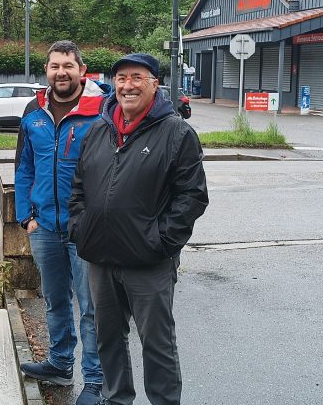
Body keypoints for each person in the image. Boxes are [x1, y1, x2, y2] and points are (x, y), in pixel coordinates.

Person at [68, 53, 209, 405]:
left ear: (153, 84)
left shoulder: (176, 133)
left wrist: (160, 243)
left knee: (157, 344)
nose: (127, 85)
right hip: (100, 257)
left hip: (148, 262)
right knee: (108, 339)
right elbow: (79, 185)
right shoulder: (100, 129)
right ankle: (117, 399)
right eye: (121, 78)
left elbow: (192, 197)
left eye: (136, 78)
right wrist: (80, 227)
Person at [15, 40, 110, 405]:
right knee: (55, 300)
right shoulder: (33, 110)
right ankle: (59, 362)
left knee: (91, 307)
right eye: (55, 66)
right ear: (47, 71)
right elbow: (24, 166)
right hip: (45, 227)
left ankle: (95, 381)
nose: (61, 72)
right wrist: (25, 216)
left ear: (82, 71)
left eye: (68, 65)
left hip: (84, 229)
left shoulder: (101, 108)